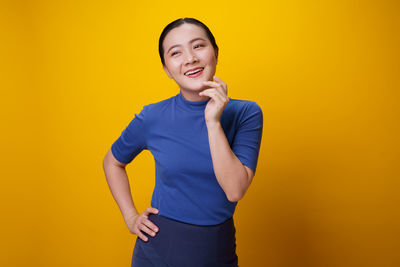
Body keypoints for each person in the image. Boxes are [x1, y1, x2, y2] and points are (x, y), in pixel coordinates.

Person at [102, 17, 263, 267]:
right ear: (167, 69)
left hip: (215, 251)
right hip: (156, 251)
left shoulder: (246, 113)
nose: (190, 58)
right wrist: (131, 217)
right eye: (176, 52)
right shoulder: (152, 116)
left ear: (216, 53)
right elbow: (112, 162)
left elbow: (234, 190)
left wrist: (213, 122)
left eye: (198, 46)